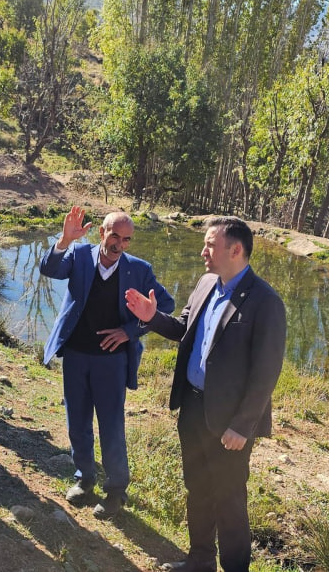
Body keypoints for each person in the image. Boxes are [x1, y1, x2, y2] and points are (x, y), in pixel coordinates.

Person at [125, 216, 287, 572]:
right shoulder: (205, 284)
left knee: (229, 502)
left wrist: (243, 426)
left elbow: (266, 373)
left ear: (236, 250)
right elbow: (184, 327)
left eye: (210, 245)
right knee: (196, 489)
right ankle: (199, 561)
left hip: (229, 423)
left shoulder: (265, 302)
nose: (203, 251)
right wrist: (153, 317)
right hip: (193, 408)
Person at [40, 207, 174, 518]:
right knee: (78, 423)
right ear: (102, 233)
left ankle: (116, 491)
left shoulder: (139, 269)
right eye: (115, 236)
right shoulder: (79, 255)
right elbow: (50, 269)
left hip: (112, 363)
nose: (120, 244)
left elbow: (164, 306)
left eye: (126, 239)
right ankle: (85, 478)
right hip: (75, 355)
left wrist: (129, 331)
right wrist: (63, 240)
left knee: (112, 427)